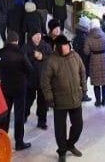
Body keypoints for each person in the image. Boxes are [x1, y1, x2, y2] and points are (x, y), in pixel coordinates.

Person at [41, 34, 86, 162]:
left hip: (75, 98)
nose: (68, 46)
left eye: (68, 44)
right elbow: (45, 81)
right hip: (59, 101)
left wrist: (84, 89)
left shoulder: (75, 56)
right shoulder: (51, 61)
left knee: (78, 125)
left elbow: (82, 72)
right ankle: (62, 151)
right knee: (60, 129)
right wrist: (49, 98)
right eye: (65, 45)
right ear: (59, 47)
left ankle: (70, 144)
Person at [0, 30, 33, 151]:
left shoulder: (0, 53)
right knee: (19, 116)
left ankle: (2, 142)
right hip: (19, 89)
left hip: (5, 89)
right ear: (17, 41)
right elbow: (30, 69)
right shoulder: (21, 53)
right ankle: (19, 142)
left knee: (4, 116)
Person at [83, 18, 105, 107]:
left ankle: (98, 102)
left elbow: (86, 52)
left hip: (94, 60)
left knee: (96, 83)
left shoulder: (89, 38)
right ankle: (104, 101)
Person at [24, 30, 50, 130]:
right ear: (31, 36)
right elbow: (23, 61)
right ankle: (24, 116)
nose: (38, 37)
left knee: (43, 102)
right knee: (28, 100)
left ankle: (42, 121)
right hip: (30, 80)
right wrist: (33, 58)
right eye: (36, 35)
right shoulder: (26, 47)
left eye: (40, 35)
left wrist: (42, 57)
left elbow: (51, 59)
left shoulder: (46, 46)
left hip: (43, 79)